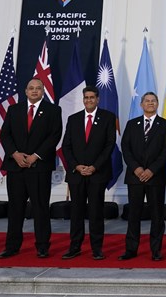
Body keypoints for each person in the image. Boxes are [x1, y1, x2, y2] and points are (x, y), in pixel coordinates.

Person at [0, 78, 62, 259]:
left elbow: (54, 136)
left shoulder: (53, 110)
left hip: (39, 167)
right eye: (31, 88)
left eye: (38, 88)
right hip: (16, 167)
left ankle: (42, 246)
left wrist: (36, 156)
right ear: (26, 91)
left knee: (40, 208)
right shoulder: (14, 109)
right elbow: (5, 135)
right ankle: (12, 246)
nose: (34, 91)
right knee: (15, 208)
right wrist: (15, 154)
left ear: (43, 91)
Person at [60, 86, 116, 260]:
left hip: (97, 174)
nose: (89, 100)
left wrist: (94, 167)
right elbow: (66, 146)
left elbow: (109, 145)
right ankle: (74, 247)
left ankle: (97, 248)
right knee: (76, 212)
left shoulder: (108, 117)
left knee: (96, 212)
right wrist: (76, 166)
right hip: (77, 174)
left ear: (98, 99)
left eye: (92, 97)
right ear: (83, 99)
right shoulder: (74, 119)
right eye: (86, 97)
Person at [119, 92, 166, 261]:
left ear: (157, 104)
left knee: (157, 215)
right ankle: (131, 249)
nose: (150, 103)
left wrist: (151, 170)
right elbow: (125, 148)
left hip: (155, 177)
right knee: (133, 215)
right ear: (141, 104)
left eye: (153, 101)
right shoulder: (131, 124)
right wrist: (136, 168)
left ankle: (156, 250)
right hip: (135, 176)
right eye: (147, 101)